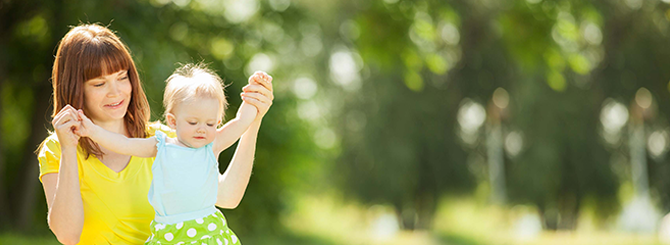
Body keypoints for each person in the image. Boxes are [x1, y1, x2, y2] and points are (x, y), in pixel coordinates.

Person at [37, 23, 274, 244]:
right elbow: (68, 235)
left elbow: (226, 197)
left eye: (122, 77)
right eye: (100, 84)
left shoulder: (165, 140)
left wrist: (253, 121)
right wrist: (69, 148)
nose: (116, 92)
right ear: (74, 88)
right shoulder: (57, 148)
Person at [74, 64, 270, 245]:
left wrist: (255, 90)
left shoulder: (212, 145)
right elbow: (124, 144)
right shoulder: (161, 146)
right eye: (193, 123)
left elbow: (242, 121)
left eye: (210, 124)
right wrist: (92, 131)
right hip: (168, 233)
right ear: (173, 121)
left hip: (206, 231)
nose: (201, 129)